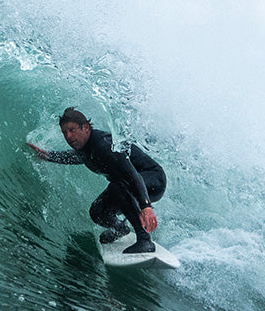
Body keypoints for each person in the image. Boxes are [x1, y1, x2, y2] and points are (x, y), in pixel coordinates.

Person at [27, 107, 166, 254]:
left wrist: (146, 206)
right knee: (97, 211)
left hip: (153, 180)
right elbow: (75, 157)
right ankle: (120, 229)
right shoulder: (84, 147)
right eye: (64, 132)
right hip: (129, 185)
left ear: (85, 127)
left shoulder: (104, 145)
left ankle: (145, 241)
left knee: (117, 187)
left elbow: (132, 175)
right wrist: (47, 156)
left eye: (72, 130)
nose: (68, 136)